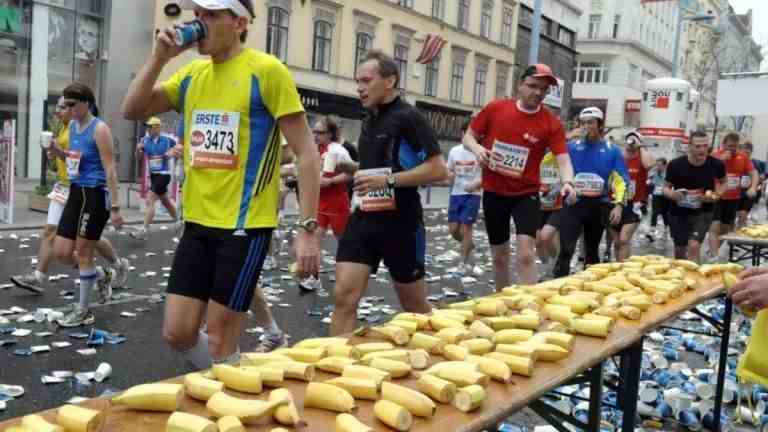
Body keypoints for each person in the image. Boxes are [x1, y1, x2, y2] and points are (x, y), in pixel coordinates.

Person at [121, 0, 321, 365]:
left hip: (244, 227)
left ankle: (233, 408)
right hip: (198, 223)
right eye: (197, 15)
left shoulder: (266, 70)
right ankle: (228, 379)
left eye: (211, 15)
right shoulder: (192, 74)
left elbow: (307, 153)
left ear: (240, 23)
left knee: (219, 338)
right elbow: (132, 110)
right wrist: (159, 58)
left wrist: (308, 229)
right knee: (178, 333)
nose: (199, 22)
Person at [330, 50, 447, 336]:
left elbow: (438, 170)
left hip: (402, 222)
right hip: (364, 217)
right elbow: (380, 166)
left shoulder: (410, 118)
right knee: (344, 297)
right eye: (357, 81)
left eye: (366, 80)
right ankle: (335, 369)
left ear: (390, 81)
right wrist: (354, 167)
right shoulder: (369, 116)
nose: (359, 87)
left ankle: (441, 353)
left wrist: (389, 182)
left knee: (414, 306)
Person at [464, 64, 576, 290]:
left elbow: (563, 159)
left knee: (525, 254)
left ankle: (528, 307)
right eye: (533, 86)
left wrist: (568, 182)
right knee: (499, 257)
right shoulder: (496, 108)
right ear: (520, 84)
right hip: (494, 192)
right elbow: (469, 137)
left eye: (543, 89)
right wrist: (478, 150)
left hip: (525, 195)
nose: (537, 93)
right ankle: (503, 302)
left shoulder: (551, 123)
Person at [11, 99, 129, 294]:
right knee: (50, 232)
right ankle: (39, 276)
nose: (59, 111)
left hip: (82, 190)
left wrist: (114, 205)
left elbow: (98, 164)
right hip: (64, 188)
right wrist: (53, 154)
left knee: (90, 239)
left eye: (64, 107)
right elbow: (60, 165)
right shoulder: (68, 129)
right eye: (59, 107)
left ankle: (116, 265)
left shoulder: (85, 129)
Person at [53, 83, 124, 327]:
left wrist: (115, 206)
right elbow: (75, 160)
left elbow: (110, 168)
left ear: (87, 102)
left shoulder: (100, 129)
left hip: (95, 194)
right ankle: (102, 275)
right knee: (62, 251)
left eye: (72, 105)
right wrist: (57, 152)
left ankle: (84, 310)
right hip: (76, 191)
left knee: (84, 252)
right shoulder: (73, 126)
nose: (68, 110)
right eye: (66, 105)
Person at [552, 107, 628, 277]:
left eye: (591, 123)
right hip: (573, 204)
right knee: (566, 248)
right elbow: (553, 161)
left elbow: (621, 179)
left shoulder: (612, 150)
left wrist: (619, 205)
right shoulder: (571, 146)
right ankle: (558, 283)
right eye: (583, 123)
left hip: (598, 206)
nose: (587, 126)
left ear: (600, 125)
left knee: (591, 251)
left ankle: (589, 289)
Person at [299, 116, 353, 292]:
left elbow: (351, 174)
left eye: (320, 132)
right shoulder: (314, 149)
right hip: (319, 203)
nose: (315, 135)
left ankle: (350, 278)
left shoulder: (338, 151)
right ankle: (313, 278)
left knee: (344, 243)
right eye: (313, 131)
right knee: (313, 240)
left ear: (330, 134)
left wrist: (331, 182)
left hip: (337, 203)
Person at [663, 131, 726, 262]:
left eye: (705, 146)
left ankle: (695, 279)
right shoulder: (675, 164)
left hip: (703, 211)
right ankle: (681, 275)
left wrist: (717, 195)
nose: (702, 150)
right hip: (678, 212)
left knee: (694, 245)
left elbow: (724, 182)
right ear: (689, 147)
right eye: (697, 146)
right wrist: (672, 194)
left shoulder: (716, 164)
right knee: (680, 249)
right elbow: (665, 187)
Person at [707, 132, 758, 261]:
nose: (732, 149)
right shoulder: (715, 156)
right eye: (729, 146)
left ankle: (716, 252)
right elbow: (706, 172)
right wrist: (721, 161)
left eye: (735, 146)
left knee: (727, 229)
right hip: (717, 197)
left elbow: (754, 173)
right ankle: (714, 256)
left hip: (733, 199)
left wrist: (752, 187)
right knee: (715, 226)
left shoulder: (742, 158)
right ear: (723, 144)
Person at [130, 116, 179, 240]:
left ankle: (144, 229)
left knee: (150, 199)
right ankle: (179, 222)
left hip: (164, 174)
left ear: (157, 128)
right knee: (165, 201)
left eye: (150, 127)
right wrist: (138, 150)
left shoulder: (168, 140)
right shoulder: (145, 141)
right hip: (154, 175)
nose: (148, 129)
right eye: (147, 127)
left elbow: (180, 148)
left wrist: (172, 152)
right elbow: (138, 158)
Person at [609, 130, 655, 261]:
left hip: (634, 204)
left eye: (634, 141)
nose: (631, 144)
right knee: (617, 242)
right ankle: (617, 267)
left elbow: (649, 164)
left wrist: (640, 145)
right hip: (615, 202)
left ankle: (622, 269)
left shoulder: (641, 158)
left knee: (624, 240)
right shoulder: (619, 157)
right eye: (629, 140)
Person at [446, 119, 482, 275]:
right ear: (463, 133)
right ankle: (469, 246)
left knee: (466, 229)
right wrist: (447, 178)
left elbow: (487, 175)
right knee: (454, 230)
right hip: (456, 193)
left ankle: (462, 262)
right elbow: (450, 171)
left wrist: (476, 185)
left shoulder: (480, 151)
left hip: (473, 195)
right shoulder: (454, 151)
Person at [536, 150, 563, 278]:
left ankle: (554, 264)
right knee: (537, 242)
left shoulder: (562, 156)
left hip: (557, 205)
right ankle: (549, 266)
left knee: (546, 236)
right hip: (538, 204)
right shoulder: (533, 155)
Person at [738, 141, 766, 227]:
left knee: (743, 214)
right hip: (737, 192)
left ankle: (741, 228)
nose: (746, 153)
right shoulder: (736, 161)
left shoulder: (756, 163)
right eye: (745, 150)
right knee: (735, 216)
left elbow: (763, 173)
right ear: (740, 150)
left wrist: (762, 177)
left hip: (750, 192)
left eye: (748, 151)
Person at [647, 158, 670, 240]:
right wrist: (649, 181)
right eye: (656, 165)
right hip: (656, 195)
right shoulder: (654, 173)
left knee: (665, 212)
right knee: (655, 212)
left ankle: (666, 227)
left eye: (659, 165)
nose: (658, 167)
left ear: (665, 165)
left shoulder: (668, 174)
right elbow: (649, 182)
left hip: (665, 195)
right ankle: (652, 229)